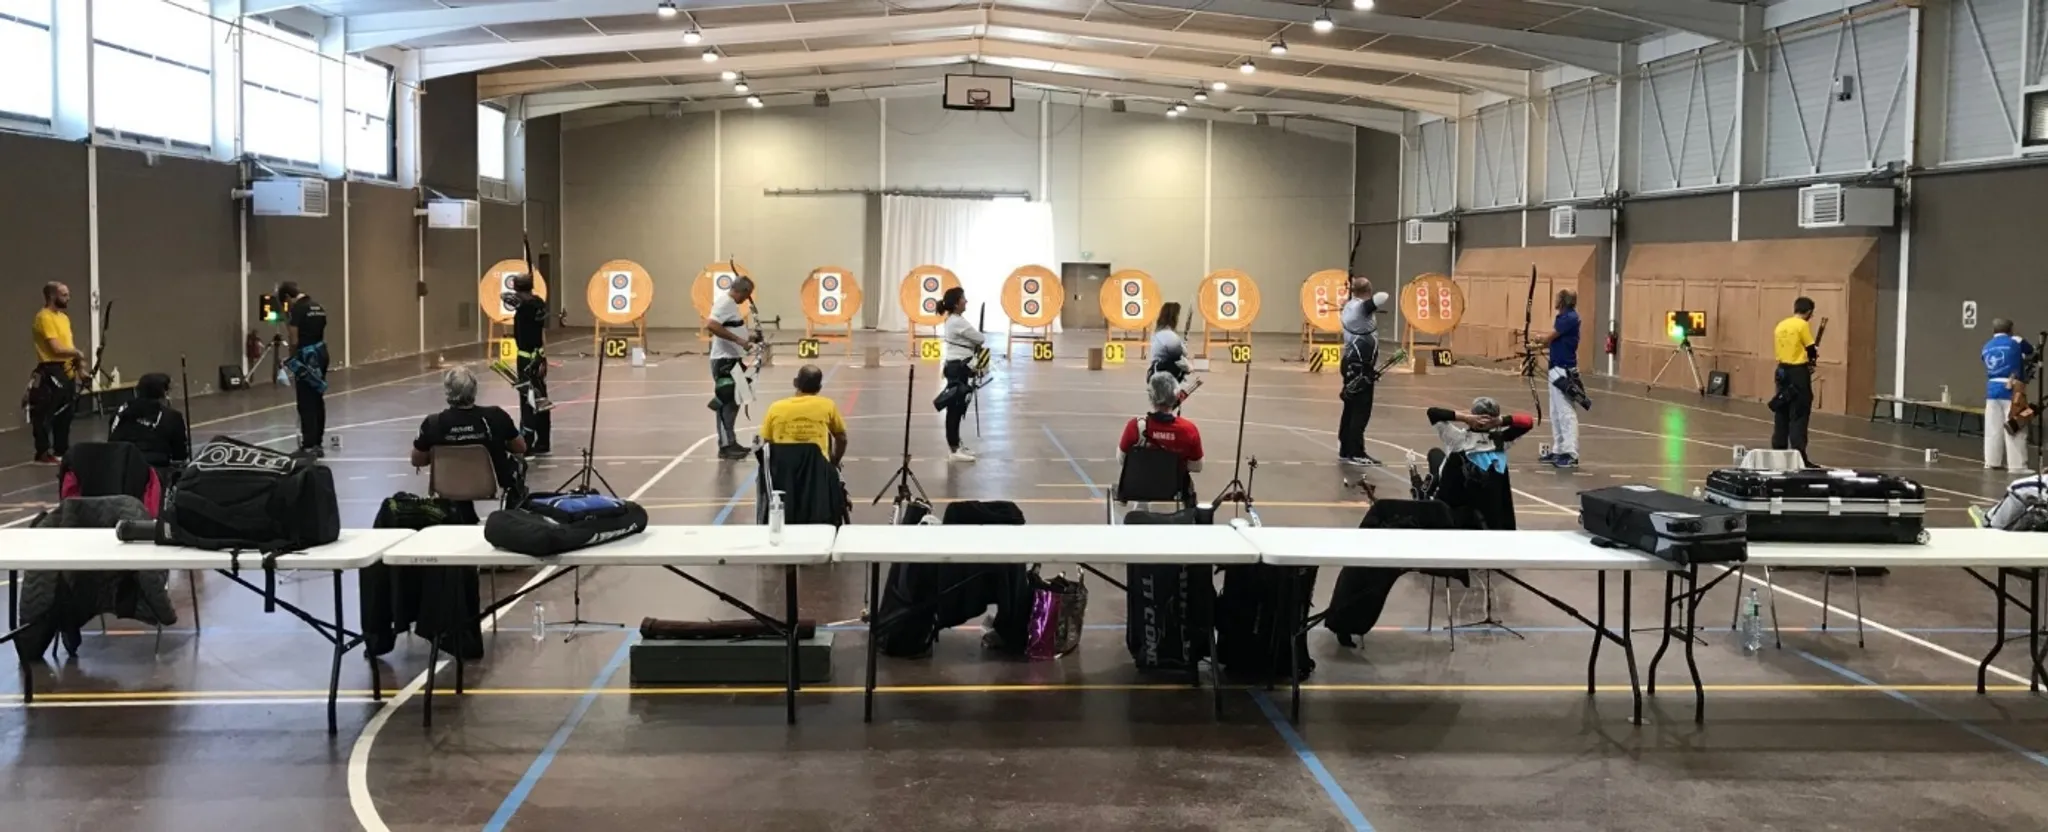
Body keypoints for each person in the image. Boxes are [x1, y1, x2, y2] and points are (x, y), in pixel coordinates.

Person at [1421, 396, 1532, 533]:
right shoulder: (1499, 440)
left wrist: (1466, 418)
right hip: (1489, 508)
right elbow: (1528, 422)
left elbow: (1433, 412)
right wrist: (1500, 421)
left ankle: (1427, 493)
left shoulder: (1459, 439)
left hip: (1456, 501)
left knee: (1435, 455)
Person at [410, 367, 527, 497]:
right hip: (491, 486)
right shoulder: (496, 416)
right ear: (475, 390)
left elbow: (417, 460)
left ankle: (461, 511)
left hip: (447, 487)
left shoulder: (433, 423)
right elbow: (520, 447)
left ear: (448, 391)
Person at [1118, 372, 1205, 506]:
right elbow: (1197, 466)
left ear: (1151, 397)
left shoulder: (1135, 427)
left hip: (1141, 488)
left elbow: (1122, 459)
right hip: (1175, 491)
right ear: (1176, 396)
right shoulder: (1189, 430)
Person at [1337, 275, 1392, 466]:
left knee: (1350, 408)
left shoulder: (1349, 306)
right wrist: (1364, 292)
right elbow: (1383, 296)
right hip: (1360, 366)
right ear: (1368, 291)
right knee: (1361, 410)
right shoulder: (1362, 308)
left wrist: (1353, 291)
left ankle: (1345, 449)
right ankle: (1356, 452)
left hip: (1351, 363)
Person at [26, 281, 83, 464]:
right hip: (51, 370)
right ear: (52, 296)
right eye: (64, 295)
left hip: (67, 369)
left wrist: (81, 370)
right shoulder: (44, 317)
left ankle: (61, 449)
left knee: (66, 412)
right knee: (46, 412)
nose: (68, 298)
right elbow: (56, 349)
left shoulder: (64, 318)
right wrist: (77, 353)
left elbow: (69, 347)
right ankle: (43, 451)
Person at [705, 275, 758, 461]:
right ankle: (725, 446)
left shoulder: (731, 305)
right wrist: (739, 340)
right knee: (726, 401)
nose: (747, 298)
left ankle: (731, 441)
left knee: (733, 401)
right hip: (724, 361)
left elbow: (730, 327)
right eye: (747, 294)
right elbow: (711, 324)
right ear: (741, 291)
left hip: (732, 359)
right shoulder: (725, 303)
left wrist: (748, 338)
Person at [1531, 289, 1584, 469]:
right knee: (1555, 412)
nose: (1555, 300)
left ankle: (1571, 453)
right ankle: (1559, 449)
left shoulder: (1570, 318)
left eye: (1557, 298)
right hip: (1556, 368)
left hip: (1564, 371)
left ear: (1562, 301)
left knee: (1566, 412)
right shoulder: (1562, 318)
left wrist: (1539, 339)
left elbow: (1549, 338)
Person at [277, 281, 330, 457]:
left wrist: (292, 359)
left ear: (287, 297)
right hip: (321, 353)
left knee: (306, 400)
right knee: (317, 398)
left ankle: (308, 445)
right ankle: (318, 442)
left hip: (306, 358)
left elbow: (293, 339)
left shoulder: (297, 310)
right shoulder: (318, 306)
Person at [759, 364, 848, 466]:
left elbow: (767, 442)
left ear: (795, 382)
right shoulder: (828, 405)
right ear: (819, 388)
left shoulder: (775, 407)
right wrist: (835, 461)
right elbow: (842, 438)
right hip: (817, 469)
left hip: (784, 470)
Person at [1982, 319, 2037, 472]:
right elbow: (2031, 351)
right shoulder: (2015, 340)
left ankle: (1992, 462)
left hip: (1992, 389)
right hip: (2012, 389)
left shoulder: (1986, 346)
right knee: (2015, 424)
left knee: (1993, 428)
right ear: (2010, 329)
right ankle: (2017, 465)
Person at [937, 287, 984, 462]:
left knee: (957, 407)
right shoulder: (957, 322)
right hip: (957, 368)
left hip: (958, 367)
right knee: (955, 408)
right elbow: (980, 338)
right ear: (956, 303)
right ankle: (954, 448)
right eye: (963, 298)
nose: (966, 301)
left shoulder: (955, 319)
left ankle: (956, 443)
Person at [1770, 297, 1818, 464]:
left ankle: (1778, 452)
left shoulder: (1781, 325)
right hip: (1798, 372)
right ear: (1809, 312)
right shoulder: (1802, 325)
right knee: (1799, 413)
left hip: (1782, 371)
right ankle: (1799, 456)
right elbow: (1811, 348)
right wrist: (1813, 359)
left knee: (1782, 410)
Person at [108, 372, 189, 470]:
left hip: (118, 468)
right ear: (164, 392)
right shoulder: (171, 416)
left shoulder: (120, 411)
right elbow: (179, 456)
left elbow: (111, 440)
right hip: (153, 471)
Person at [509, 273, 552, 455]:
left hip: (526, 360)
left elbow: (511, 301)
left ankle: (526, 441)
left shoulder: (525, 308)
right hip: (539, 358)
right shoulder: (538, 304)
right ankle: (543, 441)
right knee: (540, 399)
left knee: (528, 401)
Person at [1148, 302, 1189, 381]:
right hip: (1165, 375)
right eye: (1178, 316)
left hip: (1158, 373)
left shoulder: (1159, 332)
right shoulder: (1168, 334)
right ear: (1173, 317)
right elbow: (1178, 356)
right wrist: (1188, 367)